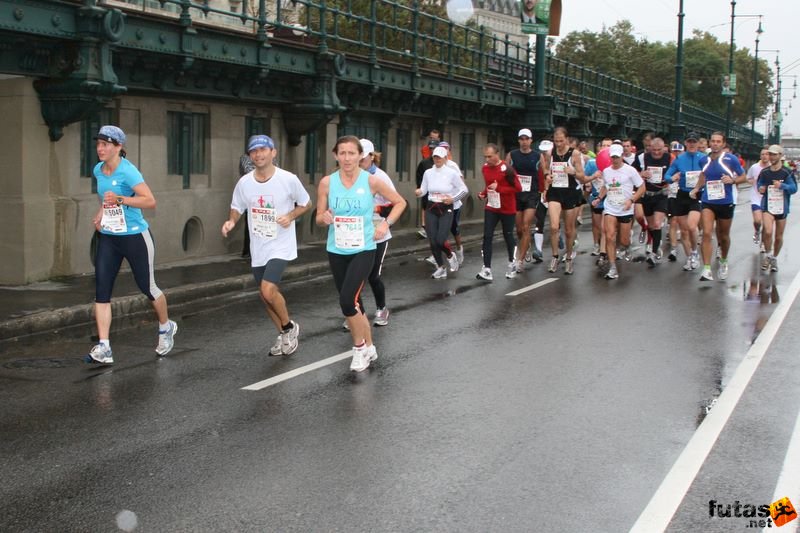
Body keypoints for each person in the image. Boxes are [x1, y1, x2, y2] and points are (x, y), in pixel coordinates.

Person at [86, 125, 177, 365]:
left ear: (119, 147)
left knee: (148, 287)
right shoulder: (98, 170)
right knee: (102, 291)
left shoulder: (128, 172)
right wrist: (100, 213)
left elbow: (150, 201)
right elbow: (106, 197)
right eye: (98, 144)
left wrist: (121, 199)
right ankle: (104, 346)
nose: (100, 148)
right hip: (109, 236)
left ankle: (166, 327)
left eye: (106, 144)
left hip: (135, 237)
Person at [316, 136, 407, 372]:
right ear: (335, 155)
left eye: (351, 153)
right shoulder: (327, 182)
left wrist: (385, 224)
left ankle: (359, 349)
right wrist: (323, 217)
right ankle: (370, 347)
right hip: (337, 249)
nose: (347, 158)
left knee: (347, 301)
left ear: (360, 156)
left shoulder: (371, 181)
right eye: (342, 153)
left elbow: (400, 202)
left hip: (364, 249)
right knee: (355, 304)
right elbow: (318, 217)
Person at [221, 135, 311, 356]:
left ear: (273, 152)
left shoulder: (287, 179)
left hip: (281, 244)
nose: (258, 154)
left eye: (263, 150)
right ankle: (283, 333)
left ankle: (289, 327)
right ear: (250, 156)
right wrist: (231, 220)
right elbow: (237, 206)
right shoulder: (245, 183)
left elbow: (306, 203)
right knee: (265, 296)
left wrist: (290, 216)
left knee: (267, 289)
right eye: (254, 151)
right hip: (259, 245)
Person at [689, 131, 745, 281]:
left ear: (723, 143)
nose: (715, 144)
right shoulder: (704, 160)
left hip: (725, 201)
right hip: (708, 201)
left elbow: (743, 176)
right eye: (713, 141)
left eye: (718, 141)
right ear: (709, 143)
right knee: (706, 233)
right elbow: (703, 175)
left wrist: (732, 180)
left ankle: (724, 261)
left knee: (724, 236)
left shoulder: (730, 159)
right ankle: (706, 269)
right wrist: (696, 188)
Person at [416, 146, 469, 279]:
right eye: (435, 157)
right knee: (432, 241)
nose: (437, 159)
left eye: (440, 157)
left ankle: (451, 256)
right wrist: (419, 192)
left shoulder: (452, 173)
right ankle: (441, 267)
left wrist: (453, 198)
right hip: (431, 207)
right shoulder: (428, 172)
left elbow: (464, 190)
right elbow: (423, 189)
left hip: (446, 208)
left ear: (446, 158)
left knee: (440, 240)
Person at [359, 139, 396, 326]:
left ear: (372, 157)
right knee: (355, 275)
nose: (359, 161)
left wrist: (377, 210)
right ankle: (356, 314)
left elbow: (395, 204)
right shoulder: (350, 176)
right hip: (356, 233)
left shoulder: (381, 177)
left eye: (363, 158)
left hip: (378, 233)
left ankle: (382, 308)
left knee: (373, 275)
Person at [540, 126, 586, 275]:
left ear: (567, 139)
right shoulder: (550, 153)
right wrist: (547, 175)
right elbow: (545, 168)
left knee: (568, 230)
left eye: (561, 141)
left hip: (570, 193)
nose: (558, 144)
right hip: (555, 192)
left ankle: (568, 258)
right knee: (554, 227)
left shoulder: (575, 154)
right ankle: (554, 256)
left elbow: (581, 176)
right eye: (556, 141)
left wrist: (573, 172)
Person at [598, 143, 645, 280]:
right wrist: (599, 198)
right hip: (610, 207)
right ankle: (612, 267)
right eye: (612, 157)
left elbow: (641, 188)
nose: (615, 160)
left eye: (617, 157)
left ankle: (626, 247)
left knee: (624, 240)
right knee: (610, 236)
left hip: (625, 209)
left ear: (622, 156)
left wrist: (631, 200)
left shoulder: (630, 170)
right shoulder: (606, 171)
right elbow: (605, 187)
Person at [477, 144, 521, 281]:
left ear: (497, 154)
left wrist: (499, 188)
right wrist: (484, 194)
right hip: (491, 206)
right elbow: (489, 185)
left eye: (490, 156)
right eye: (485, 157)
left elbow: (518, 188)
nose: (487, 159)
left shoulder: (506, 169)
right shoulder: (485, 168)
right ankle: (487, 268)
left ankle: (512, 263)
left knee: (508, 235)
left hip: (507, 208)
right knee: (487, 236)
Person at [664, 131, 703, 271]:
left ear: (698, 144)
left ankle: (695, 252)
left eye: (694, 142)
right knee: (684, 231)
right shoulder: (679, 159)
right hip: (682, 195)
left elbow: (711, 174)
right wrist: (672, 178)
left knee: (692, 226)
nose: (692, 144)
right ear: (685, 143)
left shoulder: (704, 158)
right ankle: (690, 257)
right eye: (689, 142)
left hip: (697, 195)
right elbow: (667, 175)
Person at [757, 144, 798, 272]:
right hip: (768, 206)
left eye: (774, 154)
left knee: (779, 237)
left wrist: (782, 186)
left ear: (780, 156)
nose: (772, 157)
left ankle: (774, 258)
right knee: (768, 231)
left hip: (782, 207)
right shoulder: (765, 172)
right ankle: (768, 255)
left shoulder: (787, 172)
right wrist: (760, 188)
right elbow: (760, 183)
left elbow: (794, 189)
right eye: (770, 154)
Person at [632, 137, 671, 266]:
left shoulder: (669, 158)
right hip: (647, 195)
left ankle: (653, 253)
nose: (656, 153)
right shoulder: (642, 157)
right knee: (651, 225)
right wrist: (641, 173)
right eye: (653, 150)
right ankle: (655, 243)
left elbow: (676, 171)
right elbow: (632, 171)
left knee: (657, 223)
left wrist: (671, 178)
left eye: (659, 150)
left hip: (662, 194)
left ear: (664, 148)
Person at [506, 128, 540, 273]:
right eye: (522, 139)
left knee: (526, 226)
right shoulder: (512, 155)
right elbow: (505, 172)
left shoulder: (538, 156)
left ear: (531, 140)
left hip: (531, 194)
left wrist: (544, 190)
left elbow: (543, 174)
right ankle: (526, 246)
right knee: (519, 229)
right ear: (519, 140)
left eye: (527, 139)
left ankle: (519, 261)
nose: (524, 141)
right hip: (517, 194)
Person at [747, 147, 770, 250]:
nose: (765, 156)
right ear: (760, 156)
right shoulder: (754, 167)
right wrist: (753, 182)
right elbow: (748, 178)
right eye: (763, 154)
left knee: (766, 222)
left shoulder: (772, 168)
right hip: (755, 197)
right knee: (757, 220)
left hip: (768, 199)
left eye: (767, 154)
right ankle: (757, 231)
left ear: (770, 156)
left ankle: (764, 243)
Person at [238, 152, 255, 258]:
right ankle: (247, 251)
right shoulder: (245, 157)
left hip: (267, 198)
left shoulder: (271, 158)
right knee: (250, 224)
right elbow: (249, 171)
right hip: (250, 196)